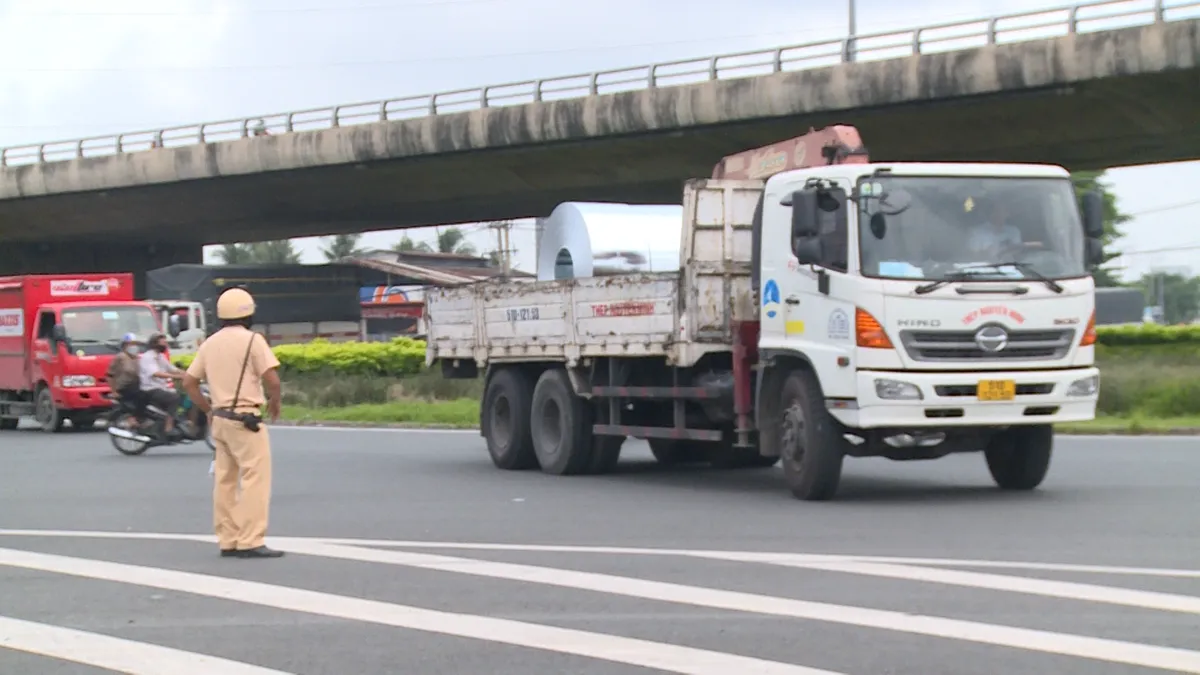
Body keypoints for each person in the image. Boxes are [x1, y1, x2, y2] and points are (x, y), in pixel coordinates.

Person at [182, 286, 284, 560]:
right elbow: (272, 379)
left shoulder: (210, 343)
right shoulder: (253, 340)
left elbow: (189, 382)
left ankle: (228, 539)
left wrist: (207, 409)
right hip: (246, 418)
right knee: (255, 478)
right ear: (248, 314)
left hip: (221, 419)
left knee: (225, 481)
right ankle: (250, 540)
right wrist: (275, 401)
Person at [138, 333, 184, 438]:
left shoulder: (160, 356)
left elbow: (172, 369)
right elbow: (156, 373)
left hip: (162, 387)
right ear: (155, 344)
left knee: (183, 395)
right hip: (150, 389)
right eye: (163, 343)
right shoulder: (148, 357)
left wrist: (188, 374)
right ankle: (168, 427)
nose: (166, 345)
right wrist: (176, 377)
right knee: (174, 398)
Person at [107, 333, 142, 424]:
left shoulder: (136, 358)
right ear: (124, 345)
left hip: (136, 384)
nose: (134, 347)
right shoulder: (120, 357)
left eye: (135, 344)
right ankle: (133, 419)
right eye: (131, 344)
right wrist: (114, 391)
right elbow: (110, 375)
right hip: (126, 386)